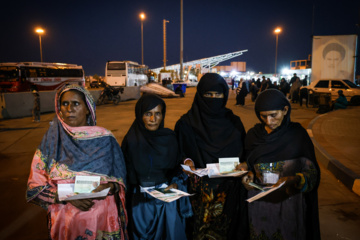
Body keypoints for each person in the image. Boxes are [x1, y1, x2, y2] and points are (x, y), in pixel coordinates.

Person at [26, 85, 128, 240]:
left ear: (88, 109)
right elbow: (35, 188)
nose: (69, 109)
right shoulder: (52, 141)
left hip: (102, 222)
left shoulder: (105, 138)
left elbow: (120, 178)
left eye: (76, 103)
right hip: (67, 223)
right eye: (64, 104)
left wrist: (110, 186)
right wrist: (69, 197)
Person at [175, 73, 249, 240]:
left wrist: (245, 165)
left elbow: (245, 153)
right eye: (208, 94)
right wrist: (187, 162)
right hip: (200, 196)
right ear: (200, 95)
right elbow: (178, 153)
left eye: (218, 94)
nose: (213, 98)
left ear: (224, 95)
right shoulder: (186, 123)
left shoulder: (234, 122)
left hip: (230, 193)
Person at [240, 89, 321, 240]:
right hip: (259, 207)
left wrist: (296, 180)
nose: (269, 121)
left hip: (289, 207)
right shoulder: (253, 135)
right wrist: (248, 175)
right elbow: (249, 164)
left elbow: (312, 174)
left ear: (285, 110)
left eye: (273, 115)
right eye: (263, 116)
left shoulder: (298, 135)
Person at [121, 94, 192, 240]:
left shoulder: (170, 138)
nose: (153, 119)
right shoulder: (131, 141)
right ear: (140, 115)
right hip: (140, 206)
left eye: (157, 114)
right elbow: (124, 174)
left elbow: (177, 168)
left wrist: (176, 182)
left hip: (166, 202)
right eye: (148, 114)